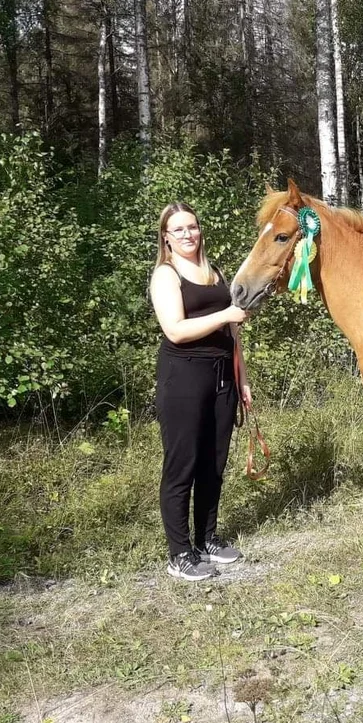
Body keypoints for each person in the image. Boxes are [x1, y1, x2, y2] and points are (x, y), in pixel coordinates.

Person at [150, 202, 252, 581]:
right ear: (166, 237)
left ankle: (207, 539)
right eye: (178, 229)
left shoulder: (214, 273)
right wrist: (225, 315)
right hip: (184, 378)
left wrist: (242, 379)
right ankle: (179, 553)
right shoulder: (166, 275)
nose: (187, 234)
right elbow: (175, 330)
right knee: (183, 466)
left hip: (223, 377)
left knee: (214, 464)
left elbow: (233, 333)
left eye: (191, 227)